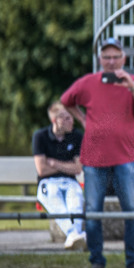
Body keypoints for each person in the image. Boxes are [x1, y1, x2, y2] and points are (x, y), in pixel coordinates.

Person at [61, 37, 134, 268]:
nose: (111, 62)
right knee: (93, 213)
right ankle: (96, 262)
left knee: (132, 212)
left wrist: (132, 87)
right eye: (106, 57)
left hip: (126, 158)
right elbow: (66, 100)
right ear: (100, 59)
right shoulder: (88, 83)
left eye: (115, 57)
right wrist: (82, 119)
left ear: (124, 58)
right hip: (93, 160)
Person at [32, 101, 86, 250]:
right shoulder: (40, 136)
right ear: (55, 120)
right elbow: (42, 170)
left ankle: (73, 236)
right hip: (47, 183)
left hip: (70, 182)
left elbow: (78, 168)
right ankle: (75, 234)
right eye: (67, 118)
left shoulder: (76, 136)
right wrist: (67, 166)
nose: (71, 121)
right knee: (54, 198)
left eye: (71, 117)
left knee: (76, 200)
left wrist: (55, 163)